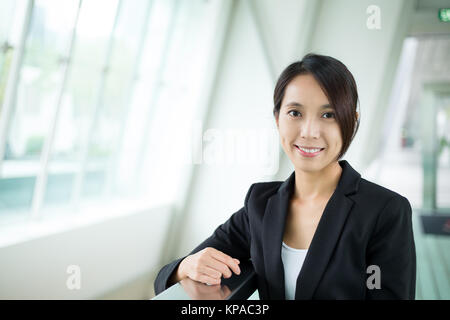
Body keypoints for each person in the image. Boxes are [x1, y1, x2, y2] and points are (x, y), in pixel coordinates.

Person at [154, 53, 416, 300]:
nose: (309, 131)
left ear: (352, 122)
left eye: (328, 115)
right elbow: (169, 276)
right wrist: (187, 265)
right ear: (277, 118)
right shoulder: (261, 203)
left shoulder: (384, 211)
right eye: (295, 113)